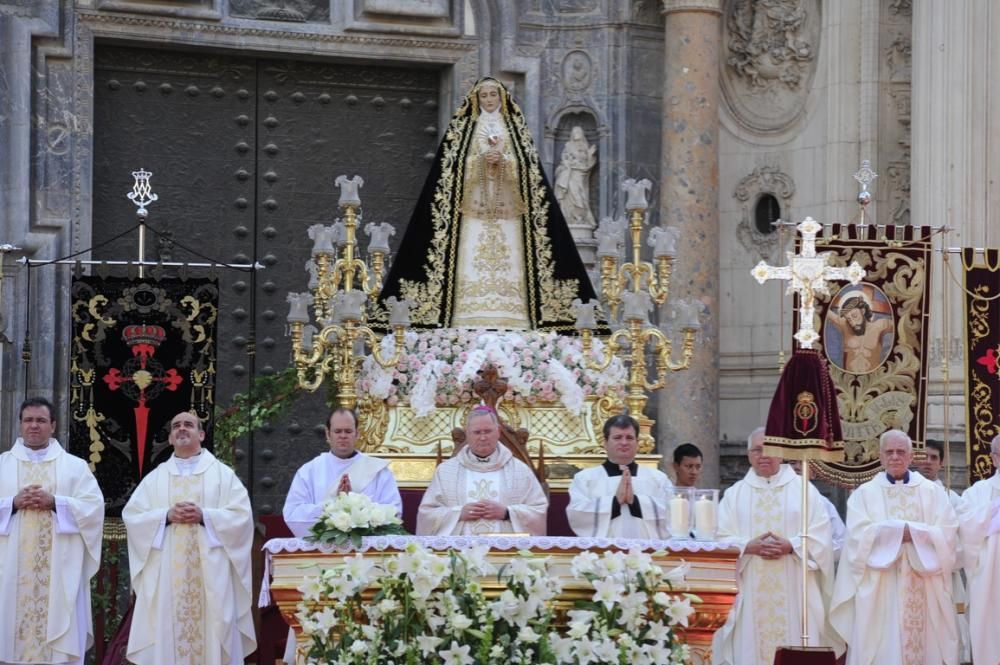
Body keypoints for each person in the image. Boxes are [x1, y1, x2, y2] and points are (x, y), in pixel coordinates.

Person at [374, 76, 601, 332]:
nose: (489, 100)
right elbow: (449, 170)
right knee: (471, 248)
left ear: (502, 98)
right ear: (476, 99)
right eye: (484, 96)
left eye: (494, 95)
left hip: (509, 211)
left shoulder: (515, 129)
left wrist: (504, 160)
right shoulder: (463, 129)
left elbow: (530, 172)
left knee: (511, 252)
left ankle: (513, 313)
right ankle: (466, 312)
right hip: (473, 208)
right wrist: (481, 161)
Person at [123, 410, 255, 665]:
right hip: (167, 577)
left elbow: (241, 517)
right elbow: (134, 517)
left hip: (211, 577)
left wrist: (205, 516)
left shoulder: (222, 475)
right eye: (176, 426)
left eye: (189, 425)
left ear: (202, 435)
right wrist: (166, 515)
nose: (182, 429)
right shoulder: (156, 478)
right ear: (171, 438)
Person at [830, 429, 959, 665]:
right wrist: (902, 532)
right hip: (881, 588)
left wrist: (912, 533)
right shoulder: (864, 494)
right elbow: (857, 538)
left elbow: (948, 533)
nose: (895, 457)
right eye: (889, 452)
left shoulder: (933, 492)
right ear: (880, 457)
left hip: (925, 583)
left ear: (911, 457)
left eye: (901, 452)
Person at [711, 427, 836, 665]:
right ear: (748, 455)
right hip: (750, 587)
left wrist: (792, 545)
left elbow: (822, 536)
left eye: (769, 449)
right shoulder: (734, 495)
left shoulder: (804, 490)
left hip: (794, 586)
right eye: (757, 450)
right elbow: (720, 539)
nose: (763, 455)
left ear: (781, 452)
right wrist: (748, 546)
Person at [0, 397, 104, 665]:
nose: (34, 426)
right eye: (28, 420)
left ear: (53, 426)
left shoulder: (75, 466)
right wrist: (12, 503)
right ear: (20, 425)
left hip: (60, 568)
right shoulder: (2, 465)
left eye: (41, 420)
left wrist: (56, 503)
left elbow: (94, 508)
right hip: (11, 569)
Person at [416, 405, 547, 535]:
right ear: (467, 433)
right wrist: (457, 514)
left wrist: (507, 513)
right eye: (477, 432)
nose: (483, 437)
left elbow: (538, 510)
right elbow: (427, 514)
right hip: (458, 551)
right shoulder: (446, 471)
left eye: (488, 431)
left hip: (506, 551)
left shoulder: (520, 470)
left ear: (498, 432)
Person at [283, 408, 402, 537]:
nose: (343, 436)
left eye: (348, 431)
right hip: (323, 550)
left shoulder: (379, 471)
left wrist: (357, 509)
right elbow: (292, 513)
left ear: (357, 434)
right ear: (328, 434)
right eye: (338, 431)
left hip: (367, 548)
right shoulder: (309, 471)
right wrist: (333, 504)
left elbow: (394, 511)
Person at [566, 414, 672, 538]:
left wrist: (636, 502)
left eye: (629, 437)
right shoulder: (585, 479)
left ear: (637, 442)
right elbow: (577, 514)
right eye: (617, 437)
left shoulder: (658, 479)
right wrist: (614, 502)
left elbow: (673, 513)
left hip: (647, 553)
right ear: (605, 442)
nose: (624, 442)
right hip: (602, 553)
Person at [918, 439, 970, 663]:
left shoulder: (954, 499)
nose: (928, 462)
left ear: (942, 463)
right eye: (924, 457)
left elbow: (963, 543)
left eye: (934, 458)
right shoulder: (905, 495)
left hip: (945, 577)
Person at [959, 433, 1000, 665]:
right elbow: (964, 526)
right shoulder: (977, 493)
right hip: (990, 580)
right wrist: (993, 511)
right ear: (994, 458)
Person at [825, 289, 893, 374]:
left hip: (872, 380)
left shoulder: (880, 326)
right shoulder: (845, 326)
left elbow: (901, 324)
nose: (853, 323)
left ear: (863, 311)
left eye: (854, 316)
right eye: (849, 319)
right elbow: (826, 312)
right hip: (848, 379)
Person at [554, 125, 597, 232]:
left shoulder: (585, 146)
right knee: (570, 193)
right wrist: (567, 163)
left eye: (578, 131)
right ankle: (570, 218)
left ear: (582, 133)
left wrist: (590, 154)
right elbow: (564, 158)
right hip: (569, 172)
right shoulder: (568, 145)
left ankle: (580, 217)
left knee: (579, 195)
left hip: (580, 173)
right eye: (574, 131)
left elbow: (588, 163)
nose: (576, 133)